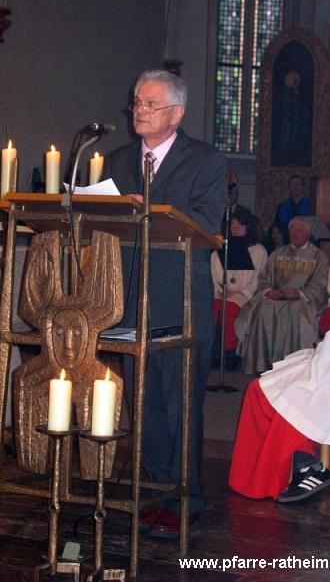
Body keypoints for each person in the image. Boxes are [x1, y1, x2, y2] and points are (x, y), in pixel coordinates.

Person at [102, 69, 226, 537]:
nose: (139, 110)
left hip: (181, 299)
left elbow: (207, 224)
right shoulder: (117, 160)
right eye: (137, 102)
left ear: (176, 114)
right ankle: (153, 491)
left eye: (150, 104)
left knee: (180, 402)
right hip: (131, 296)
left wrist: (148, 212)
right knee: (145, 401)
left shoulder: (206, 160)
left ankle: (186, 498)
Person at [229, 293, 330, 502]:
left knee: (291, 397)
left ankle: (299, 468)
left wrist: (319, 363)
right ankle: (294, 462)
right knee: (261, 389)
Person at [236, 216, 329, 374]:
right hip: (275, 297)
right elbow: (263, 278)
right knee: (261, 309)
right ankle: (262, 364)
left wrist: (298, 292)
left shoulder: (319, 257)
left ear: (308, 233)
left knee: (293, 311)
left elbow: (321, 284)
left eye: (300, 230)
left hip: (302, 301)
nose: (295, 233)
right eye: (292, 230)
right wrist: (268, 291)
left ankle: (292, 367)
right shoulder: (278, 254)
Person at [211, 213, 268, 369]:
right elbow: (214, 273)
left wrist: (239, 292)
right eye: (233, 225)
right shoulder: (222, 247)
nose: (236, 228)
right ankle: (213, 352)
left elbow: (258, 278)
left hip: (244, 295)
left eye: (240, 225)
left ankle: (229, 353)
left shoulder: (258, 251)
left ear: (247, 228)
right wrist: (221, 289)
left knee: (229, 308)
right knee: (213, 307)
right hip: (222, 292)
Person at [274, 174, 311, 243]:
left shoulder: (312, 206)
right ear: (289, 187)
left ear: (304, 186)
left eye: (298, 184)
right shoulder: (282, 207)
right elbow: (278, 226)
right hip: (287, 242)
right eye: (292, 185)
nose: (295, 187)